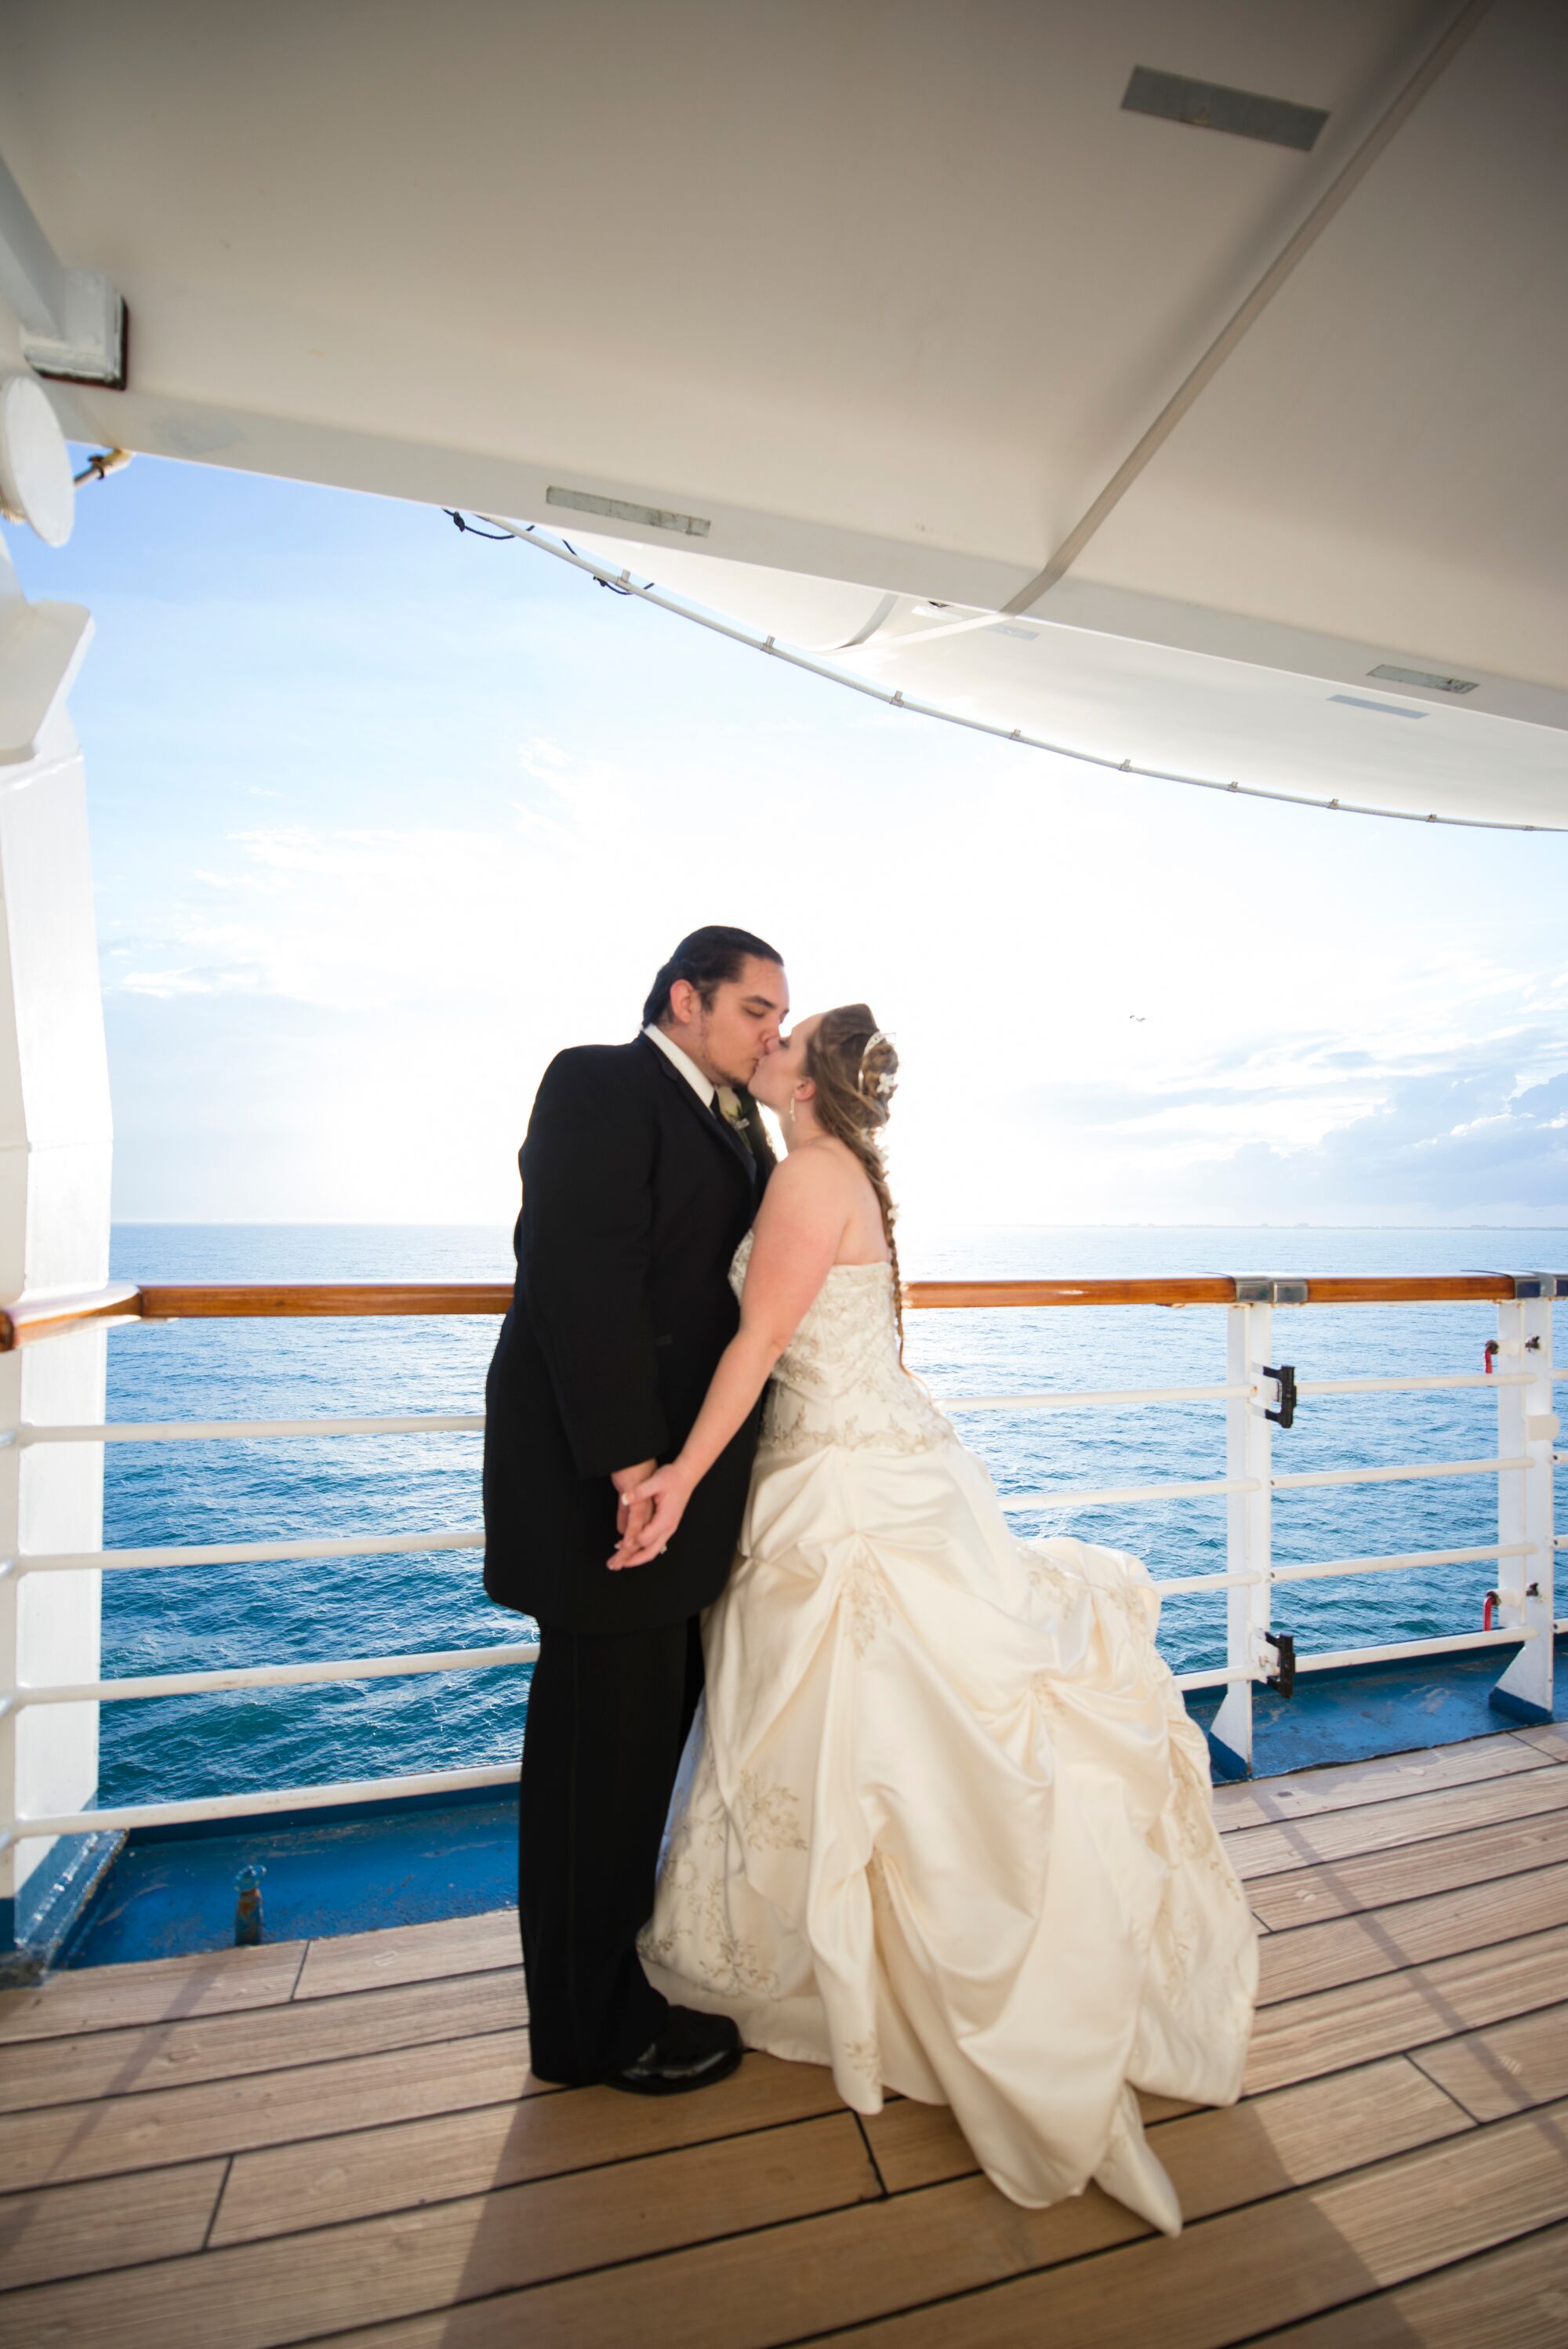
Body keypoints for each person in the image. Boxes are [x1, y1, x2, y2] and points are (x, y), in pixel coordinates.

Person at [612, 1006, 1258, 2227]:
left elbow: (757, 1346)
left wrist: (678, 1478)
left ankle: (878, 1987)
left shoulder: (807, 1176)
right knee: (876, 1732)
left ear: (807, 1083)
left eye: (784, 1036)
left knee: (870, 1734)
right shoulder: (834, 1168)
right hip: (864, 1464)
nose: (770, 1040)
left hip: (842, 1493)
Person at [482, 924, 786, 2093]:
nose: (769, 1031)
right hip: (609, 1499)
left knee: (636, 1754)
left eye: (776, 1016)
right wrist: (630, 1476)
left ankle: (611, 1986)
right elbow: (580, 1278)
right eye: (756, 1009)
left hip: (676, 1497)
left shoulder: (731, 1114)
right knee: (595, 1769)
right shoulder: (598, 1082)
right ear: (685, 998)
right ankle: (584, 2032)